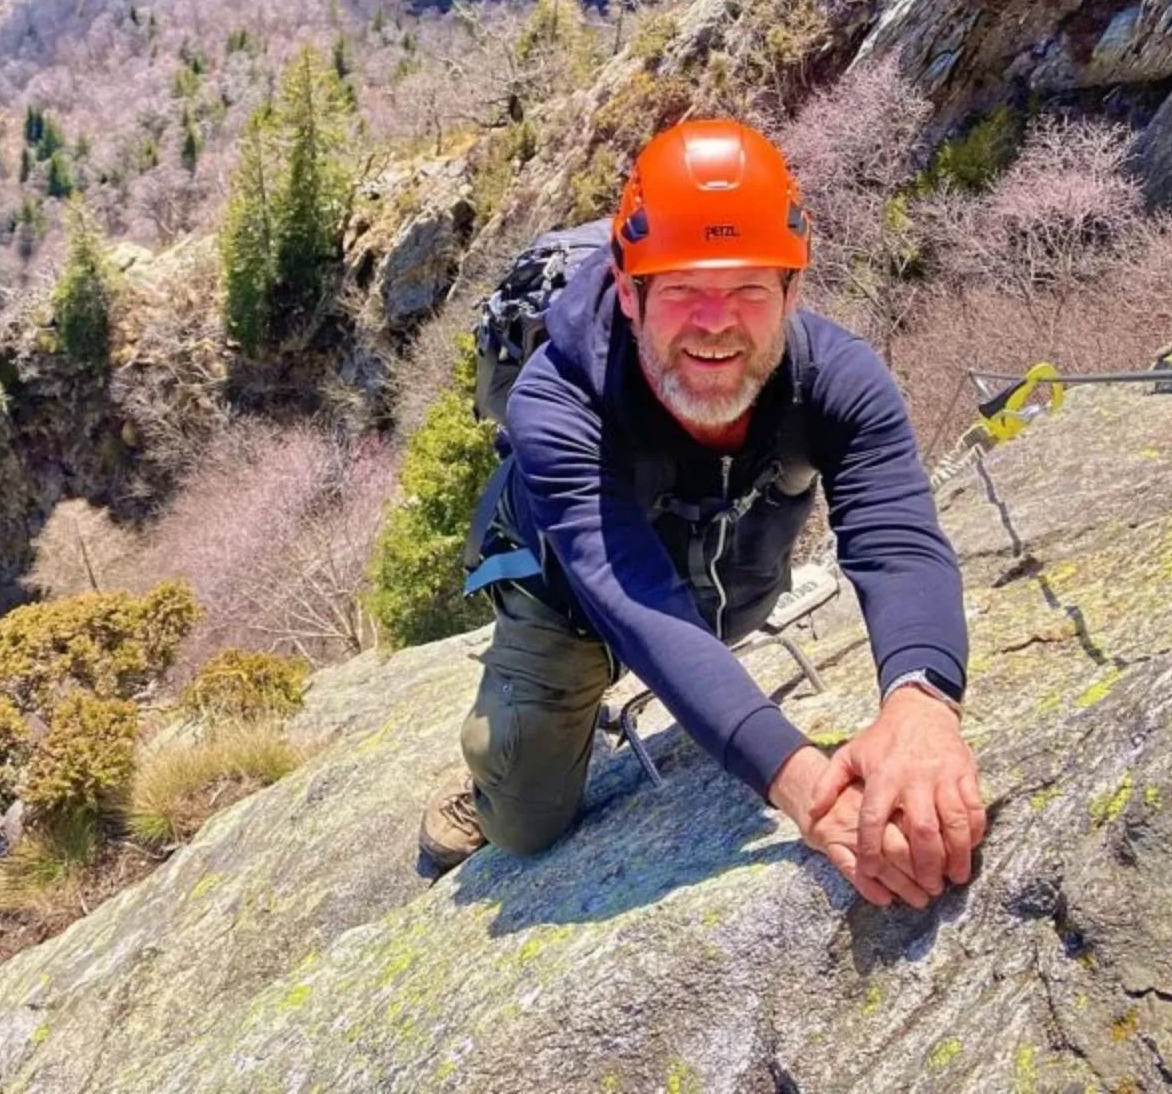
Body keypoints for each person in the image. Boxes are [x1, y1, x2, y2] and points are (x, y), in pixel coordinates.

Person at [419, 119, 986, 909]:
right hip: (572, 596)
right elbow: (634, 601)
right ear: (628, 292)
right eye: (682, 288)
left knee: (714, 637)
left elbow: (897, 540)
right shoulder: (557, 403)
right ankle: (486, 780)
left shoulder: (839, 380)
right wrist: (803, 785)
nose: (715, 322)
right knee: (526, 822)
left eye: (748, 288)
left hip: (724, 567)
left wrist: (922, 703)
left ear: (792, 293)